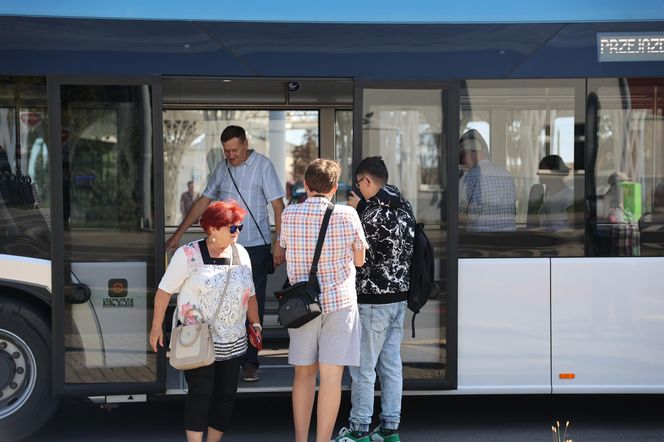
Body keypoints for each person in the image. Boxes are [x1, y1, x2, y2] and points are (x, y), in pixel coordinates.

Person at [165, 125, 286, 383]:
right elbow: (203, 202)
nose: (230, 155)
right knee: (220, 303)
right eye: (226, 151)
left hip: (254, 247)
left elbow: (278, 206)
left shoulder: (263, 166)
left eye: (234, 150)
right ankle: (219, 356)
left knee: (252, 304)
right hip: (223, 245)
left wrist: (280, 243)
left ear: (245, 143)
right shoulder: (222, 169)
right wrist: (178, 234)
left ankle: (251, 360)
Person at [150, 201, 261, 442]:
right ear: (212, 228)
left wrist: (257, 325)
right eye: (232, 228)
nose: (237, 232)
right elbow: (164, 291)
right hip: (198, 339)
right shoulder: (188, 254)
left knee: (226, 395)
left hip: (233, 340)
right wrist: (156, 327)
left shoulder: (241, 253)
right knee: (201, 392)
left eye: (239, 227)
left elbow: (250, 293)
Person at [280, 159, 368, 442]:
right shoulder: (347, 215)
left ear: (305, 185)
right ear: (334, 188)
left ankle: (300, 439)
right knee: (331, 378)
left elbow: (283, 250)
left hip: (302, 306)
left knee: (303, 376)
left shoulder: (290, 215)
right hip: (339, 303)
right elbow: (360, 259)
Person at [335, 156, 415, 442]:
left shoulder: (370, 216)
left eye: (359, 184)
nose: (358, 189)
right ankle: (390, 428)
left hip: (373, 302)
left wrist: (354, 211)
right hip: (399, 299)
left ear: (367, 181)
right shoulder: (404, 206)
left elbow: (359, 259)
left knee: (363, 368)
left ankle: (358, 429)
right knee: (391, 365)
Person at [458, 129, 516, 232]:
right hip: (508, 242)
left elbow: (459, 217)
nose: (461, 163)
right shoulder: (507, 175)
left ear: (471, 153)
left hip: (479, 243)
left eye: (462, 156)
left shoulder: (468, 178)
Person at [537, 154, 574, 230]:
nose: (538, 173)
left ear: (552, 172)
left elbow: (565, 228)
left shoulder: (569, 197)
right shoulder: (547, 195)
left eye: (541, 169)